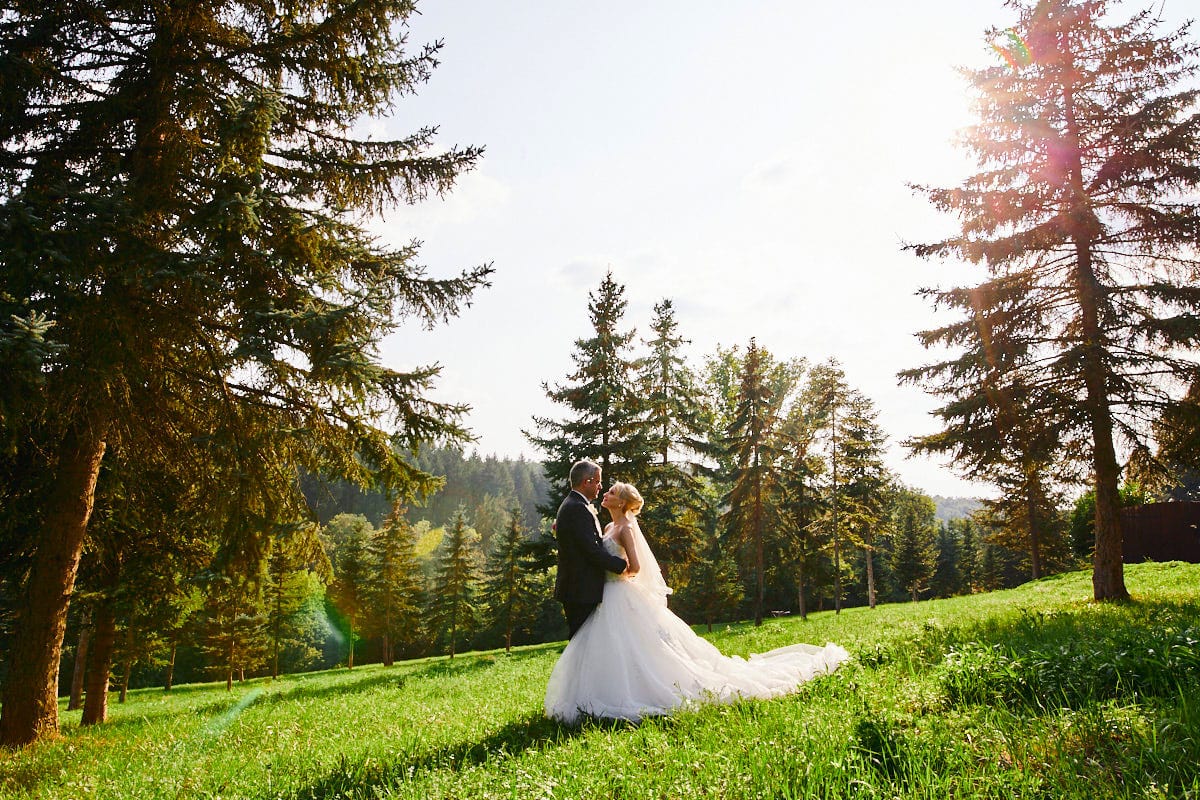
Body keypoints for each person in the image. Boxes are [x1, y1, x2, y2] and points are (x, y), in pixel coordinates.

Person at [545, 481, 851, 725]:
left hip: (621, 592)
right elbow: (590, 547)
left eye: (610, 492)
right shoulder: (608, 527)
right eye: (605, 489)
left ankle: (641, 692)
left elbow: (635, 567)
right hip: (607, 596)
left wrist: (620, 574)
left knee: (640, 648)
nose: (605, 493)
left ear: (622, 502)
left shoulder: (625, 529)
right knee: (610, 647)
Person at [554, 459, 628, 639]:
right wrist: (620, 565)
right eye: (597, 481)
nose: (600, 486)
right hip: (580, 591)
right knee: (583, 643)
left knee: (587, 643)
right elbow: (591, 550)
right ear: (586, 481)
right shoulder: (577, 508)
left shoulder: (575, 505)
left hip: (579, 589)